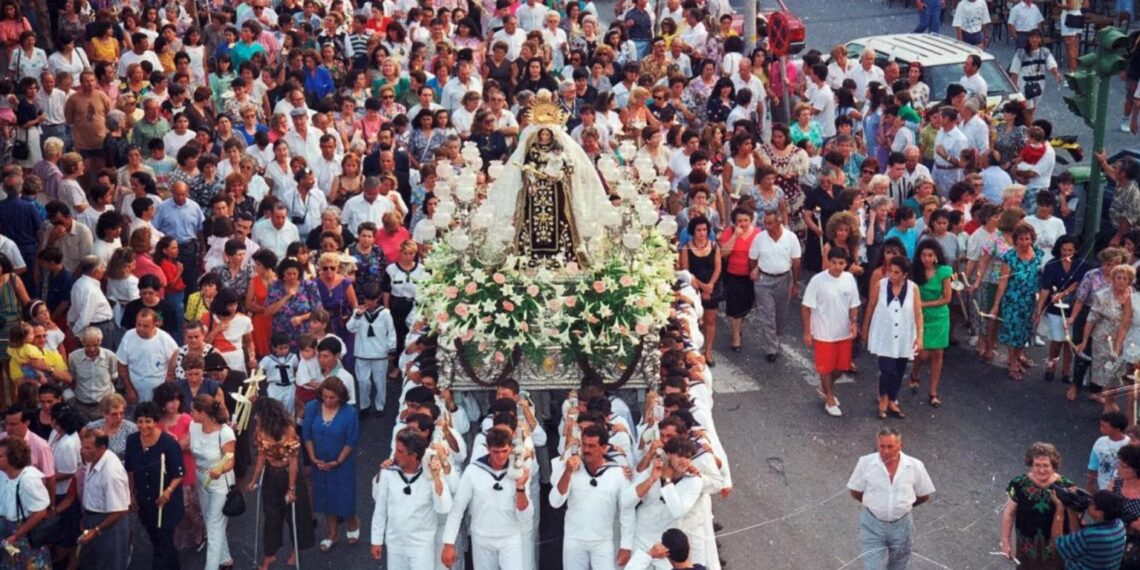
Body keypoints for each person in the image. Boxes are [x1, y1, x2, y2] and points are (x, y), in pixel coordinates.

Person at [442, 427, 532, 569]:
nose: (501, 457)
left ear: (511, 449)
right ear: (488, 449)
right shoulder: (473, 471)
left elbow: (525, 515)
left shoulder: (518, 470)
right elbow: (458, 509)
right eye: (496, 452)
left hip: (510, 538)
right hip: (482, 539)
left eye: (504, 451)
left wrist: (520, 487)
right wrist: (448, 543)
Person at [847, 427, 935, 570]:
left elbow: (923, 495)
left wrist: (902, 506)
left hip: (902, 526)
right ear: (877, 444)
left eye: (890, 446)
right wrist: (876, 505)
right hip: (872, 525)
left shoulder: (915, 466)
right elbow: (855, 491)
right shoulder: (865, 463)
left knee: (898, 566)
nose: (886, 451)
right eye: (882, 446)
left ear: (900, 445)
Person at [550, 423, 634, 569]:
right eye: (585, 445)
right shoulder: (572, 468)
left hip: (603, 541)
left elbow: (627, 511)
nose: (587, 450)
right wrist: (568, 472)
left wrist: (626, 545)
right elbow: (555, 501)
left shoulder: (618, 473)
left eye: (592, 446)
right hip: (574, 540)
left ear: (604, 447)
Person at [369, 430, 451, 569]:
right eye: (396, 449)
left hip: (421, 545)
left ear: (414, 456)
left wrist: (437, 478)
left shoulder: (431, 475)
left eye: (400, 452)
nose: (395, 455)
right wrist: (376, 540)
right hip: (395, 544)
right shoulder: (388, 473)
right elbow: (380, 509)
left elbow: (443, 507)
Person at [248, 397, 315, 569]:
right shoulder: (260, 430)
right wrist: (254, 480)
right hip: (271, 474)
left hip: (289, 474)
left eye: (259, 414)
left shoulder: (289, 430)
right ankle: (270, 554)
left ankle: (297, 549)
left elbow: (293, 462)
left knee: (296, 516)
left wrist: (291, 489)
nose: (256, 418)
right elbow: (261, 456)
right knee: (271, 516)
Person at [124, 401, 184, 570]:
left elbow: (179, 474)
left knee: (161, 545)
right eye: (140, 421)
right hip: (145, 500)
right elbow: (130, 470)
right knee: (158, 540)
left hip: (166, 504)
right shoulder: (132, 441)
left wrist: (168, 492)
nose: (144, 426)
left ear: (156, 421)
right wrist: (131, 493)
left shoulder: (169, 444)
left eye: (148, 421)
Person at [802, 247, 861, 417]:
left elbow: (854, 305)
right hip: (823, 333)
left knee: (841, 368)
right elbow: (806, 307)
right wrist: (807, 332)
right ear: (828, 262)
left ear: (846, 264)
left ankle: (824, 387)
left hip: (843, 332)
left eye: (841, 263)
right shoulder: (817, 280)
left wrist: (854, 323)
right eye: (833, 262)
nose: (837, 266)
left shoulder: (849, 279)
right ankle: (829, 398)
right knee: (826, 369)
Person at [302, 376, 360, 551]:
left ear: (341, 397)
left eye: (332, 397)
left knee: (344, 495)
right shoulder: (312, 407)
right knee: (325, 497)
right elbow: (306, 435)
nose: (328, 401)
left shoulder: (349, 412)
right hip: (319, 462)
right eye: (325, 396)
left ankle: (352, 521)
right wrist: (312, 458)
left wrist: (337, 461)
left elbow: (351, 440)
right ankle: (332, 533)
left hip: (341, 462)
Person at [862, 255, 923, 420]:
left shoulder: (913, 289)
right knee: (887, 369)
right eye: (891, 271)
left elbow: (918, 314)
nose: (893, 276)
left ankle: (892, 399)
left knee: (899, 369)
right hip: (884, 334)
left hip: (904, 335)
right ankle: (883, 397)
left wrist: (920, 337)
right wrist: (865, 328)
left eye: (897, 273)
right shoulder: (880, 285)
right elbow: (871, 306)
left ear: (905, 274)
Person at [1001, 442, 1075, 566]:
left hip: (1054, 548)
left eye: (1046, 465)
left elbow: (1074, 519)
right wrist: (1005, 541)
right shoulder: (1019, 484)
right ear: (1030, 465)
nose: (1041, 470)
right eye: (1037, 465)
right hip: (1026, 547)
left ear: (1054, 466)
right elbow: (1009, 513)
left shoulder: (1066, 486)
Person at [993, 223, 1045, 382]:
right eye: (1021, 239)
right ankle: (1012, 362)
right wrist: (996, 304)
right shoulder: (1010, 257)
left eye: (1027, 239)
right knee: (1013, 331)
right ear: (1016, 240)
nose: (1024, 242)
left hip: (1030, 299)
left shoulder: (1038, 254)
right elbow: (1003, 282)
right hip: (1013, 299)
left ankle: (1017, 356)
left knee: (1025, 330)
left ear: (1032, 239)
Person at [748, 209, 802, 363]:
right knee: (768, 316)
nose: (767, 226)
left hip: (784, 280)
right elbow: (752, 257)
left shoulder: (791, 238)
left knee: (781, 314)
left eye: (770, 223)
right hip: (764, 280)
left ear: (779, 222)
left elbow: (796, 262)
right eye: (765, 223)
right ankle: (771, 348)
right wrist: (754, 270)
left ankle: (778, 338)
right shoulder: (759, 238)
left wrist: (796, 283)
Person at [189, 394, 235, 570]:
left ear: (203, 413)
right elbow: (186, 444)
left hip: (220, 483)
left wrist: (220, 470)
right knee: (210, 522)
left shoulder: (225, 432)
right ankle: (225, 560)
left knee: (214, 526)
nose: (190, 413)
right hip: (201, 480)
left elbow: (230, 461)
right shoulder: (194, 427)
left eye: (193, 410)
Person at [76, 429, 130, 570]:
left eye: (88, 448)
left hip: (109, 525)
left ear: (102, 448)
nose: (82, 451)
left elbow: (120, 510)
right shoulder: (92, 460)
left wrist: (97, 530)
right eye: (82, 446)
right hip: (93, 519)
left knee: (110, 565)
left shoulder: (111, 472)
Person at [909, 240, 952, 407]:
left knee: (938, 354)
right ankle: (915, 372)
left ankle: (933, 392)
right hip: (921, 316)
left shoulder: (944, 272)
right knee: (923, 353)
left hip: (939, 316)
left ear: (936, 256)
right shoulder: (915, 272)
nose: (927, 259)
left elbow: (947, 298)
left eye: (930, 255)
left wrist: (923, 304)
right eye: (923, 255)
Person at [0, 437, 53, 568]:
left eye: (0, 456)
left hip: (24, 532)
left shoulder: (29, 479)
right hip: (5, 529)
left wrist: (17, 535)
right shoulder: (2, 474)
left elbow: (40, 512)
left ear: (12, 458)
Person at [347, 284, 395, 418]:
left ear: (378, 298)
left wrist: (392, 349)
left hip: (380, 353)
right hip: (362, 353)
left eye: (372, 299)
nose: (369, 302)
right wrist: (357, 315)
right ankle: (364, 406)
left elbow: (391, 332)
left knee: (380, 382)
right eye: (367, 299)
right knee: (363, 381)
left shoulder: (385, 313)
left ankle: (380, 406)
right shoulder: (358, 312)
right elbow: (350, 328)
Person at [679, 216, 722, 365]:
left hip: (712, 288)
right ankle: (692, 353)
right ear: (693, 231)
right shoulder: (686, 248)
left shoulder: (715, 246)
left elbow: (718, 268)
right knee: (693, 322)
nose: (702, 233)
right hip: (694, 289)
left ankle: (708, 351)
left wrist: (710, 286)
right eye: (699, 230)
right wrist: (703, 287)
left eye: (704, 230)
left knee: (711, 320)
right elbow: (686, 272)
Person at [1051, 490, 1127, 570]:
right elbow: (1078, 539)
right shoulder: (1119, 525)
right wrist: (1071, 512)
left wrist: (1060, 509)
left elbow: (1056, 546)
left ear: (1099, 513)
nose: (1088, 504)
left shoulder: (1094, 535)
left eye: (1091, 503)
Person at [718, 207, 759, 352]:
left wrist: (756, 269)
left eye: (746, 220)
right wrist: (735, 236)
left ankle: (738, 326)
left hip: (750, 276)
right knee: (734, 307)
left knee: (747, 305)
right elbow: (723, 253)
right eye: (739, 221)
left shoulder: (757, 233)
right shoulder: (729, 232)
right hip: (733, 274)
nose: (743, 223)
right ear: (734, 222)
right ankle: (736, 337)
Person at [116, 309, 178, 403]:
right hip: (135, 390)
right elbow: (121, 365)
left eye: (145, 326)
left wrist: (166, 386)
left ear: (154, 324)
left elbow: (175, 355)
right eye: (138, 324)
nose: (140, 328)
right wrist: (129, 389)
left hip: (158, 392)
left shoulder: (165, 339)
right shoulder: (128, 336)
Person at [1089, 412, 1131, 493]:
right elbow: (1093, 465)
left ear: (1117, 429)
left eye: (1104, 426)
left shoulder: (1129, 444)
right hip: (1103, 487)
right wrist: (1090, 483)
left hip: (1122, 489)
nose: (1101, 428)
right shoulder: (1100, 441)